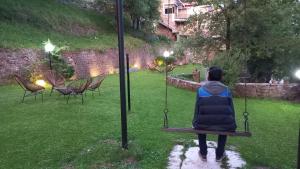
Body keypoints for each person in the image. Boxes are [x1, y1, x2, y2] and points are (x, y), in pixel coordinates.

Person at [192, 66, 237, 162]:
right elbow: (231, 109)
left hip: (204, 124)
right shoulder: (227, 90)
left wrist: (194, 123)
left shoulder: (201, 90)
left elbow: (197, 109)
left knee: (201, 125)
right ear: (220, 77)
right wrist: (233, 124)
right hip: (224, 124)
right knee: (224, 123)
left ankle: (203, 153)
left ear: (209, 76)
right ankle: (219, 155)